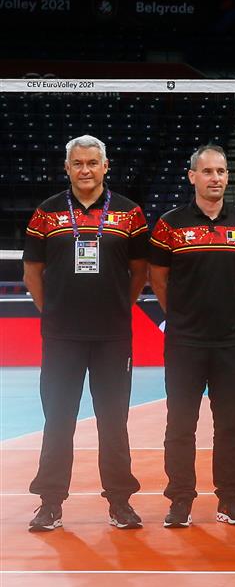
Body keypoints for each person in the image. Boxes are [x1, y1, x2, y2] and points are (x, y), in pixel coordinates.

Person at [24, 135, 147, 532]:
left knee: (113, 421)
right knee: (58, 419)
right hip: (62, 337)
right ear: (67, 168)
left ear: (105, 166)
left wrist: (120, 306)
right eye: (77, 163)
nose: (85, 170)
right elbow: (32, 272)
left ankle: (120, 501)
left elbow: (140, 271)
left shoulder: (130, 213)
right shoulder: (46, 213)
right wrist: (53, 312)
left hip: (113, 336)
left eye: (92, 163)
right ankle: (50, 503)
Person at [149, 145, 235, 528]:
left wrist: (226, 314)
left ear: (228, 176)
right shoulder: (170, 224)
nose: (216, 178)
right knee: (180, 425)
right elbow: (158, 280)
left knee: (231, 425)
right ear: (192, 176)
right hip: (185, 343)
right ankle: (180, 500)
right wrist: (184, 317)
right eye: (208, 171)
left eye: (221, 171)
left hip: (232, 343)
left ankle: (230, 498)